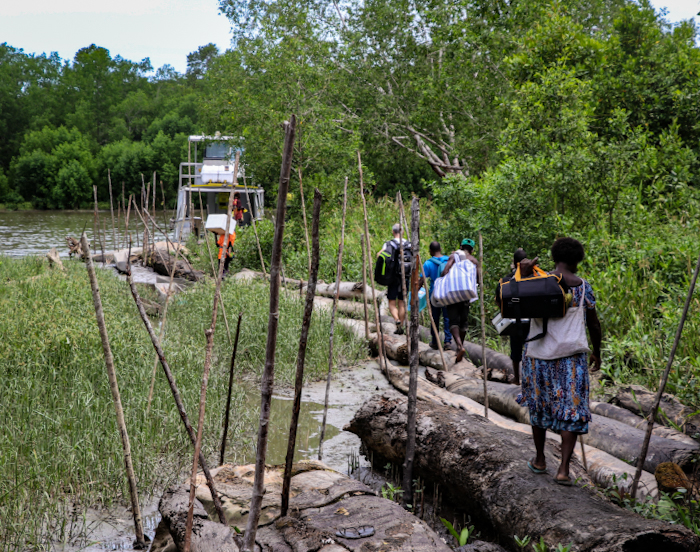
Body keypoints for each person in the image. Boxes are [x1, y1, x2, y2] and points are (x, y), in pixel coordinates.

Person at [517, 237, 602, 486]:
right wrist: (597, 351)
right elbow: (594, 323)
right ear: (578, 260)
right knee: (571, 412)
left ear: (554, 257)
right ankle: (563, 469)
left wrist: (521, 273)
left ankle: (540, 459)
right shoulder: (583, 287)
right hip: (571, 359)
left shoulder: (540, 282)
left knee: (539, 407)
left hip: (538, 356)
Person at [495, 248, 532, 385]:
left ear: (514, 262)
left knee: (515, 351)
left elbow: (498, 300)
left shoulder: (506, 280)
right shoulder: (535, 279)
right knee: (532, 350)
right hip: (533, 322)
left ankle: (517, 379)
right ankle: (530, 379)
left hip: (514, 321)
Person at [441, 238, 479, 362]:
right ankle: (460, 347)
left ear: (461, 247)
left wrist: (443, 279)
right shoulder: (474, 261)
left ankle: (459, 345)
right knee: (463, 322)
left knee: (453, 322)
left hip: (453, 293)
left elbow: (446, 270)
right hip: (466, 294)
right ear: (472, 250)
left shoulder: (454, 255)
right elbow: (478, 279)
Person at [379, 223, 411, 335]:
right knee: (402, 303)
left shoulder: (389, 244)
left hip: (393, 278)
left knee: (392, 303)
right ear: (402, 232)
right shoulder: (409, 244)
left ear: (393, 232)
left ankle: (396, 320)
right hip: (405, 277)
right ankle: (400, 326)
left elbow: (380, 255)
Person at [423, 241, 453, 350]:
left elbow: (422, 279)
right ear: (440, 249)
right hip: (447, 295)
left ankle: (435, 341)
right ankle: (448, 342)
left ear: (430, 251)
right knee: (447, 318)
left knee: (434, 318)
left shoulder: (428, 263)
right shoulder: (449, 260)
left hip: (434, 295)